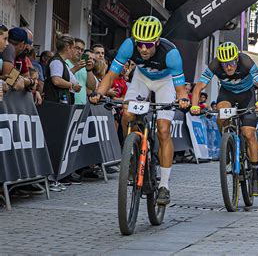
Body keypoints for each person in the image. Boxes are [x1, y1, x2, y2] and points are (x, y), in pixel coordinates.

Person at [90, 15, 189, 205]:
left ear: (157, 41)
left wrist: (183, 99)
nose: (143, 49)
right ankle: (133, 151)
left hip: (164, 83)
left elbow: (180, 88)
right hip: (141, 79)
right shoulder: (128, 45)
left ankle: (164, 185)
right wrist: (98, 93)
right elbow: (111, 76)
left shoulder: (171, 54)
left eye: (149, 45)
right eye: (141, 44)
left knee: (163, 129)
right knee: (127, 113)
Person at [190, 41, 258, 196]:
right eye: (225, 64)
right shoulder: (214, 65)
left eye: (232, 63)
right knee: (222, 114)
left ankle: (255, 176)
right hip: (227, 94)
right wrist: (194, 105)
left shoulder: (246, 61)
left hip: (247, 96)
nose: (229, 67)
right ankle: (226, 142)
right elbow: (199, 87)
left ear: (237, 59)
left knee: (249, 134)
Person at [43, 34, 81, 104]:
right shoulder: (56, 61)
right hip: (55, 103)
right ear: (67, 47)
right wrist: (72, 85)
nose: (74, 51)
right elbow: (56, 81)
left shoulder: (62, 62)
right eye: (73, 48)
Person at [66, 38, 96, 105]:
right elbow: (61, 79)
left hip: (82, 105)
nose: (79, 52)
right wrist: (75, 69)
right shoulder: (65, 62)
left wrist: (89, 70)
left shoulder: (84, 65)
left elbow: (92, 87)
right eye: (77, 48)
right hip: (68, 104)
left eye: (82, 50)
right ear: (70, 48)